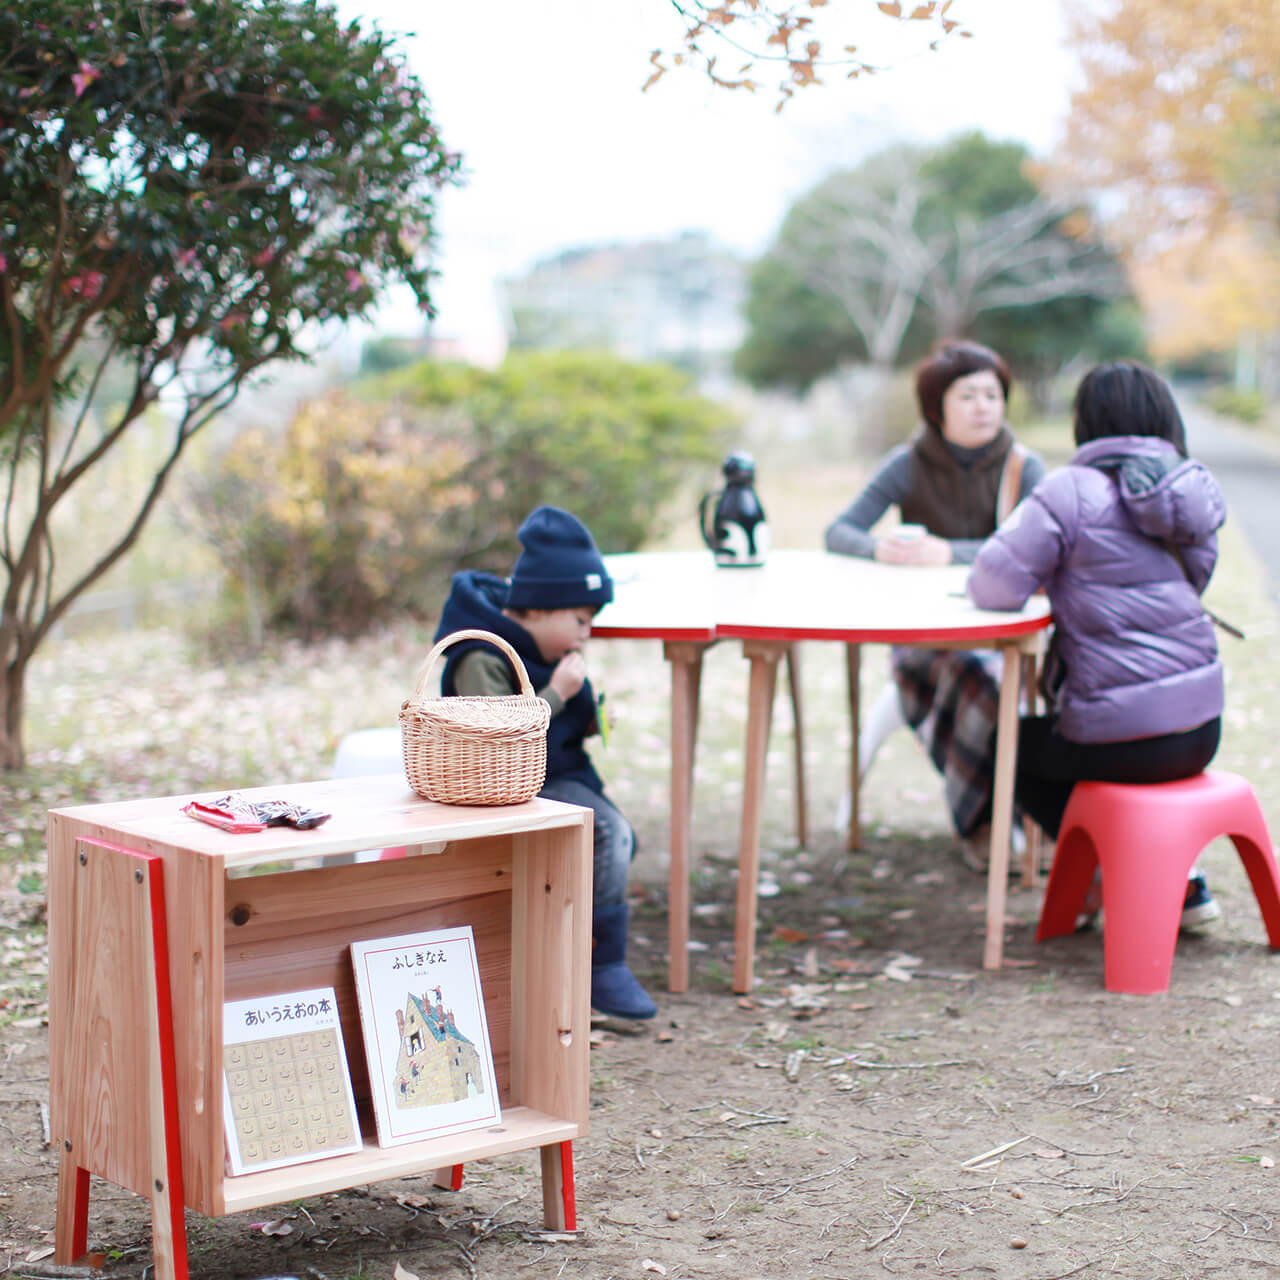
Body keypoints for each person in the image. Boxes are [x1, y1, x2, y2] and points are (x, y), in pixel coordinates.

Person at [967, 361, 1225, 927]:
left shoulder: (1068, 490)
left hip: (1124, 739)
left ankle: (1115, 874)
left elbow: (992, 585)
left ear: (1085, 421)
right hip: (1203, 728)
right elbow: (1191, 581)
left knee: (1012, 746)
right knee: (1074, 752)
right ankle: (1176, 879)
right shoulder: (1190, 487)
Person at [433, 504, 657, 1019]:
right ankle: (601, 967)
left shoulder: (544, 647)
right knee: (608, 836)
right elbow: (494, 732)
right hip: (506, 786)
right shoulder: (482, 655)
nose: (586, 635)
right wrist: (557, 695)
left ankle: (571, 952)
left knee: (616, 843)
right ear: (539, 607)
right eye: (580, 620)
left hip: (557, 773)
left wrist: (590, 714)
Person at [825, 339, 1045, 857]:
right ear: (936, 406)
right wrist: (880, 548)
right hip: (921, 636)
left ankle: (1002, 818)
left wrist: (949, 552)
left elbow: (1038, 548)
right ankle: (983, 824)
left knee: (986, 677)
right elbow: (838, 531)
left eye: (993, 394)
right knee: (971, 678)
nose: (984, 407)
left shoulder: (1023, 467)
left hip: (1003, 638)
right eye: (968, 396)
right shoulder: (908, 462)